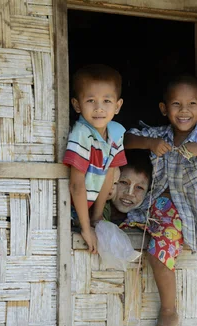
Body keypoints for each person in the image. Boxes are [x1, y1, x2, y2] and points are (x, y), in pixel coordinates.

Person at [124, 75, 197, 326]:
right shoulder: (160, 135)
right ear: (164, 109)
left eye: (192, 104)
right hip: (153, 207)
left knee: (159, 254)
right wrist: (149, 144)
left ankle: (169, 311)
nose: (184, 111)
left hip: (182, 214)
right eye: (176, 104)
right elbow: (124, 140)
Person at [63, 64, 127, 254]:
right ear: (76, 105)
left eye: (107, 101)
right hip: (72, 207)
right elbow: (76, 185)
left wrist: (97, 217)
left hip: (91, 205)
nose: (99, 108)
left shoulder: (116, 133)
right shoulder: (82, 134)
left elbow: (109, 174)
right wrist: (86, 227)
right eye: (91, 100)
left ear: (117, 106)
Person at [103, 149, 153, 224]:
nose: (129, 193)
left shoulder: (148, 217)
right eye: (124, 182)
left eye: (139, 187)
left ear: (148, 191)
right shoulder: (97, 209)